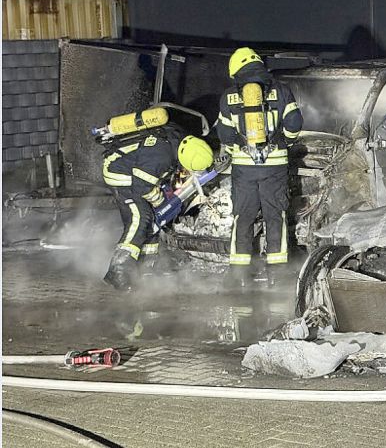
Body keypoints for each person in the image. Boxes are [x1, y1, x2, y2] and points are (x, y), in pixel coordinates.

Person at [216, 47, 303, 286]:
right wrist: (284, 141)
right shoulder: (281, 91)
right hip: (274, 167)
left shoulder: (229, 96)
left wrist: (239, 148)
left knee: (242, 217)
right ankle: (277, 273)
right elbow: (294, 122)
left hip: (244, 170)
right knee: (276, 215)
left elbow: (224, 133)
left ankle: (238, 273)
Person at [102, 129, 213, 290]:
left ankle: (146, 267)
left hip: (136, 174)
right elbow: (141, 187)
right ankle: (118, 269)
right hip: (120, 175)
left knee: (154, 221)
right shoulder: (160, 156)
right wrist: (159, 200)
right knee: (141, 218)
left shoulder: (180, 142)